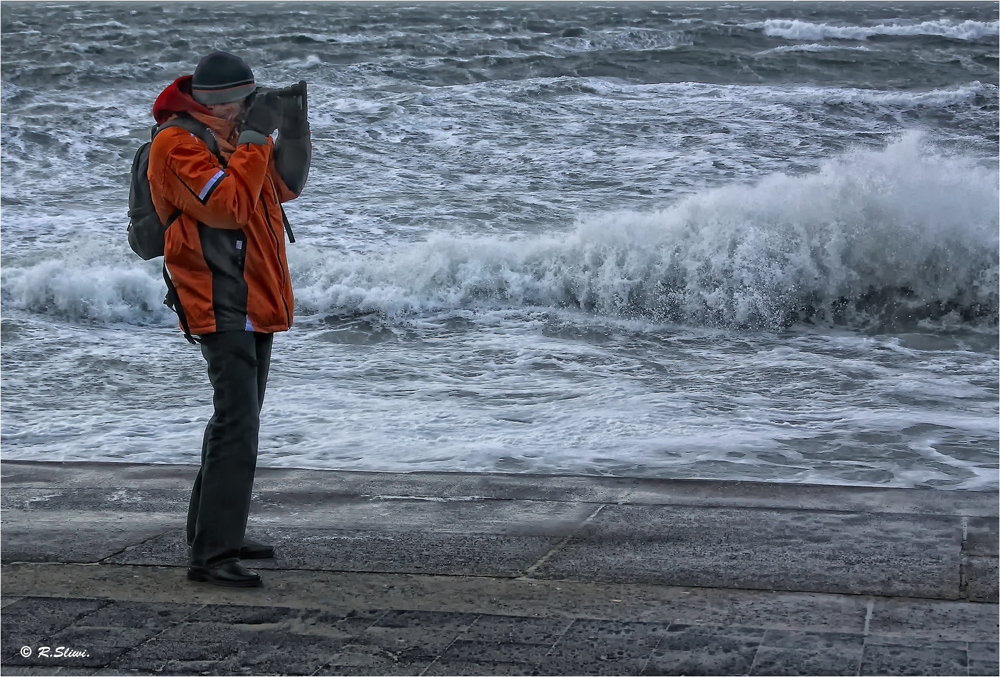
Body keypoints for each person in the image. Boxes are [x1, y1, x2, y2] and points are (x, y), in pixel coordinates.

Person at [147, 51, 311, 587]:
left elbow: (284, 188)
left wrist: (291, 124)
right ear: (224, 101)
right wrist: (257, 135)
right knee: (236, 420)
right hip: (219, 302)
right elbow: (229, 208)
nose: (250, 108)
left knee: (238, 419)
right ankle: (212, 556)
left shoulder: (230, 141)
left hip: (253, 299)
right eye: (248, 100)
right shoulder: (177, 145)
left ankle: (218, 531)